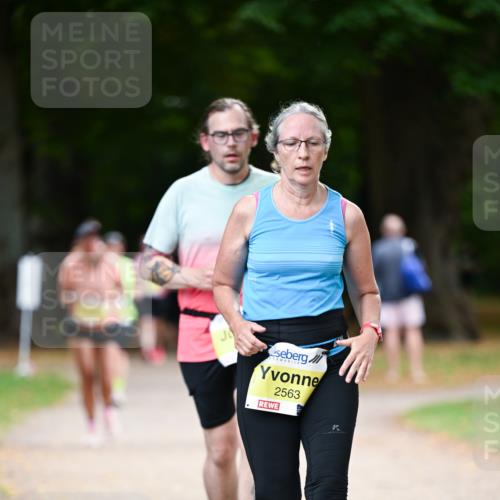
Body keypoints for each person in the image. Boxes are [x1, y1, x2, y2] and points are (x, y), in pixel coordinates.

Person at [213, 101, 381, 500]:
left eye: (312, 142)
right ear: (275, 152)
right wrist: (237, 325)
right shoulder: (249, 212)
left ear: (326, 149)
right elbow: (222, 283)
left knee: (328, 486)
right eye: (291, 143)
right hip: (265, 355)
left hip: (330, 358)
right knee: (275, 488)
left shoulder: (347, 215)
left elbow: (366, 291)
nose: (303, 153)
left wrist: (370, 332)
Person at [140, 98, 277, 500]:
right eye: (220, 135)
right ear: (205, 141)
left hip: (264, 330)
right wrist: (189, 276)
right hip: (201, 331)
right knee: (220, 450)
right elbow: (148, 262)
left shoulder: (275, 189)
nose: (230, 143)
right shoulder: (183, 192)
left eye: (238, 134)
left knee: (261, 446)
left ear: (253, 138)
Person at [58, 220, 123, 444]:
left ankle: (108, 411)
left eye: (95, 238)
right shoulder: (70, 264)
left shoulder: (111, 262)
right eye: (88, 239)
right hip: (81, 326)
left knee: (106, 375)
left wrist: (111, 308)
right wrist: (79, 300)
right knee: (87, 374)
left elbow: (121, 291)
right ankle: (91, 424)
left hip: (104, 327)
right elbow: (64, 294)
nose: (93, 243)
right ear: (81, 242)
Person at [372, 214, 427, 383]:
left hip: (387, 298)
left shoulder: (378, 248)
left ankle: (393, 372)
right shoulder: (409, 245)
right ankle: (417, 371)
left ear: (384, 230)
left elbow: (373, 274)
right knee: (413, 330)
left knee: (391, 332)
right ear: (402, 230)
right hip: (410, 296)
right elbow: (421, 268)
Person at [104, 231, 138, 405]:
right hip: (105, 315)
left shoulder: (127, 265)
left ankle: (117, 388)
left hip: (124, 315)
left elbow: (134, 290)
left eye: (116, 246)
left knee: (118, 352)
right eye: (110, 246)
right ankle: (111, 387)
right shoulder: (100, 264)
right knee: (110, 352)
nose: (113, 249)